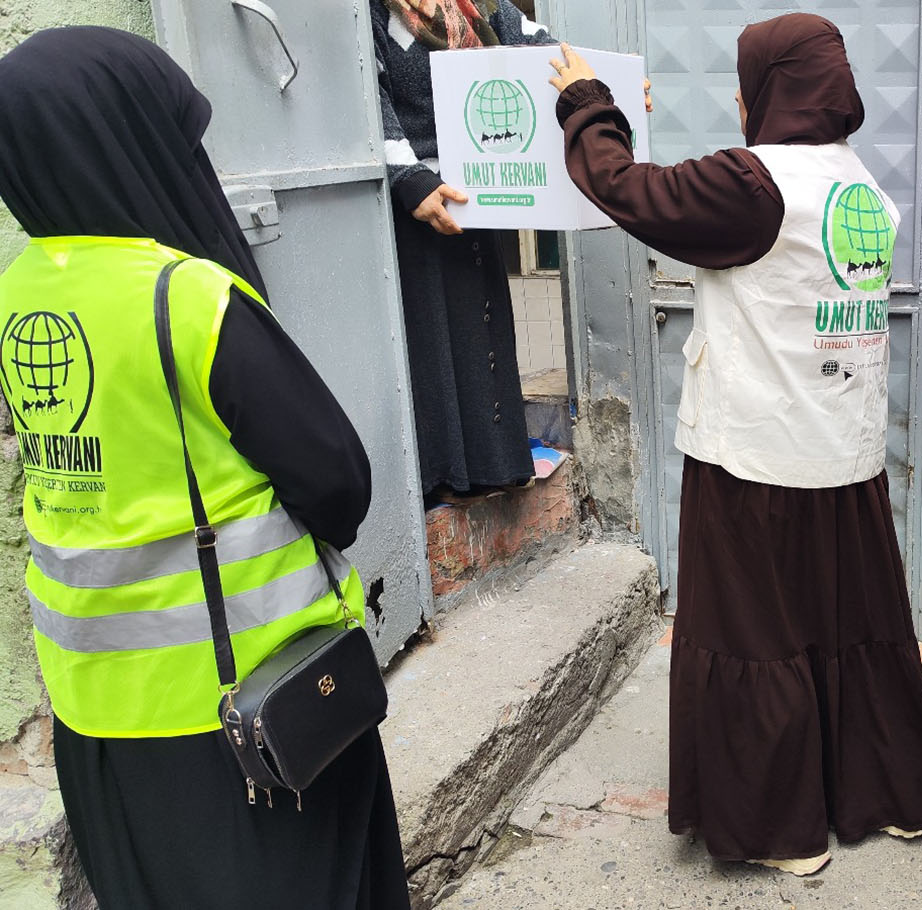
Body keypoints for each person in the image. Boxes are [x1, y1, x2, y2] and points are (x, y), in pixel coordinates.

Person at [0, 28, 410, 910]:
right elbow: (337, 477)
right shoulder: (183, 294)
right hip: (246, 711)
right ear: (130, 139)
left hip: (96, 714)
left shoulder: (16, 290)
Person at [550, 13, 922, 875]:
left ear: (768, 90)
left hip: (756, 453)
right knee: (850, 622)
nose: (736, 101)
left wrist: (588, 104)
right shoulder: (860, 186)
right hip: (842, 449)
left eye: (744, 85)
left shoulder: (751, 184)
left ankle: (782, 829)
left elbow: (625, 189)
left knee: (757, 632)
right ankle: (888, 795)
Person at [371, 0, 554, 500]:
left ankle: (495, 467)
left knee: (485, 330)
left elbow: (548, 53)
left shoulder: (484, 8)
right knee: (435, 337)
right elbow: (368, 95)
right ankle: (445, 478)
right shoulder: (372, 11)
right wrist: (410, 178)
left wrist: (604, 92)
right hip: (420, 205)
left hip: (477, 192)